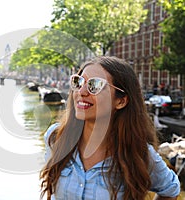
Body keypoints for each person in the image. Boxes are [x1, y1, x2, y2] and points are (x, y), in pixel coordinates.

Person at [40, 56, 180, 200]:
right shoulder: (56, 138)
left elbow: (170, 189)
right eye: (78, 82)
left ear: (120, 101)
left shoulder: (138, 153)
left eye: (94, 85)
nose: (81, 92)